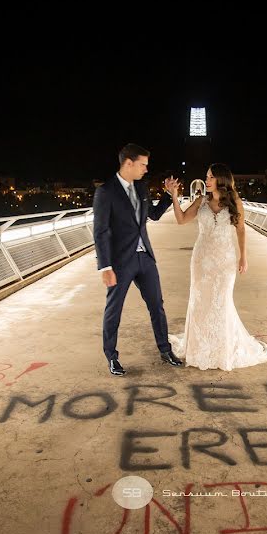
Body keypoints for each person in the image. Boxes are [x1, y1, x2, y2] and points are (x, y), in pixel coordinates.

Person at [164, 163, 267, 370]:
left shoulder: (235, 202)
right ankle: (199, 349)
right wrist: (175, 196)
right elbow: (181, 220)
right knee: (199, 301)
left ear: (221, 180)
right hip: (201, 259)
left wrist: (243, 257)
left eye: (211, 177)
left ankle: (222, 350)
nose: (207, 180)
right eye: (207, 176)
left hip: (225, 260)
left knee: (221, 301)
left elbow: (241, 230)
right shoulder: (201, 201)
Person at [92, 143, 184, 376]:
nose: (146, 169)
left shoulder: (142, 187)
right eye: (142, 164)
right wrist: (105, 266)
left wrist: (168, 195)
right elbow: (100, 231)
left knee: (157, 305)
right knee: (114, 309)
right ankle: (111, 357)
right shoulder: (106, 192)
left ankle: (165, 350)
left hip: (146, 258)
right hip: (121, 261)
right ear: (129, 163)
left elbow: (152, 215)